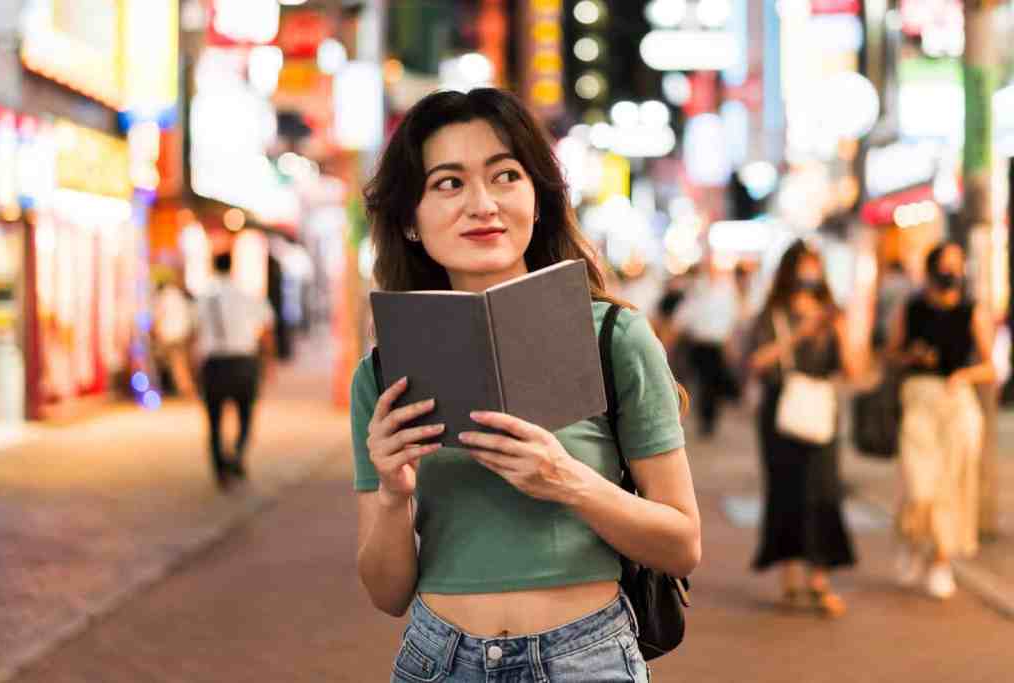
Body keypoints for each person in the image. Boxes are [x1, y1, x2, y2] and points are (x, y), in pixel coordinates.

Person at [350, 88, 701, 682]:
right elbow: (387, 594)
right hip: (439, 660)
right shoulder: (385, 373)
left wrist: (566, 481)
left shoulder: (614, 337)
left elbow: (682, 543)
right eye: (448, 183)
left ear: (537, 200)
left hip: (585, 658)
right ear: (410, 219)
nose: (482, 204)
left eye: (505, 175)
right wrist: (391, 493)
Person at [746, 240, 868, 617]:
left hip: (820, 413)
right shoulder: (774, 313)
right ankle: (790, 573)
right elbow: (757, 362)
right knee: (785, 491)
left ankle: (820, 581)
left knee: (823, 492)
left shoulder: (833, 315)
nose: (809, 275)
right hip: (780, 415)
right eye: (803, 267)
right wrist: (798, 334)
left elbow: (852, 372)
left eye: (815, 267)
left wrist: (842, 330)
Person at [885, 242, 994, 599]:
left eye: (957, 265)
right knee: (919, 485)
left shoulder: (972, 310)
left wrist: (964, 376)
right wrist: (910, 355)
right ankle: (915, 542)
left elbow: (991, 367)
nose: (952, 272)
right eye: (946, 265)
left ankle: (941, 562)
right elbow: (891, 354)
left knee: (951, 486)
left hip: (957, 403)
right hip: (918, 399)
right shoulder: (912, 308)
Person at [194, 252, 275, 489]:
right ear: (232, 265)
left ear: (212, 265)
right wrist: (268, 362)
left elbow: (194, 332)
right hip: (243, 361)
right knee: (245, 415)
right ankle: (238, 454)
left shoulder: (203, 296)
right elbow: (267, 326)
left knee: (214, 419)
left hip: (214, 363)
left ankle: (220, 468)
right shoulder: (247, 293)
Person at [667, 257, 742, 437]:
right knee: (703, 382)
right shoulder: (698, 290)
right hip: (700, 344)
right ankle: (705, 418)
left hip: (716, 344)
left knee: (712, 383)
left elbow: (731, 319)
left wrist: (730, 344)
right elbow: (685, 315)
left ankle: (710, 418)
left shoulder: (726, 291)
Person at [152, 277, 196, 397]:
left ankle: (186, 389)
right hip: (180, 333)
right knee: (179, 362)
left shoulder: (164, 298)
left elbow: (159, 316)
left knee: (177, 362)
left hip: (170, 334)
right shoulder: (178, 296)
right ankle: (185, 388)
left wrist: (157, 331)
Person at [874, 260, 914, 349]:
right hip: (903, 326)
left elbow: (880, 304)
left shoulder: (888, 282)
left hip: (886, 324)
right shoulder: (909, 283)